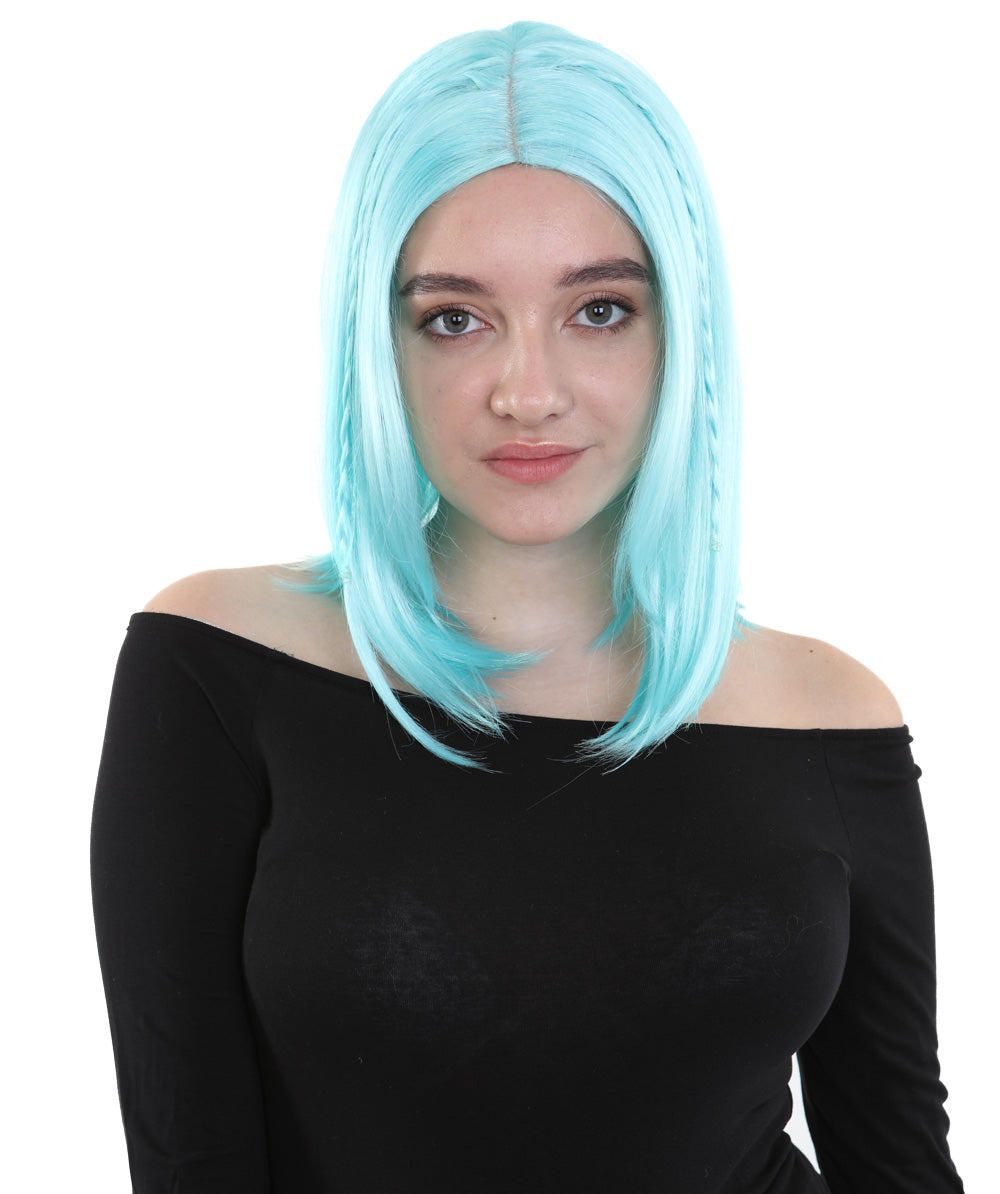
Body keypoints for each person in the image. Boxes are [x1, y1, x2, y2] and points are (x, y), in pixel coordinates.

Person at [91, 21, 964, 1194]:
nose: (529, 391)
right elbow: (189, 1155)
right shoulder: (218, 665)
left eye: (598, 310)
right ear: (379, 344)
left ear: (680, 331)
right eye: (454, 318)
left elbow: (896, 1157)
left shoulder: (826, 709)